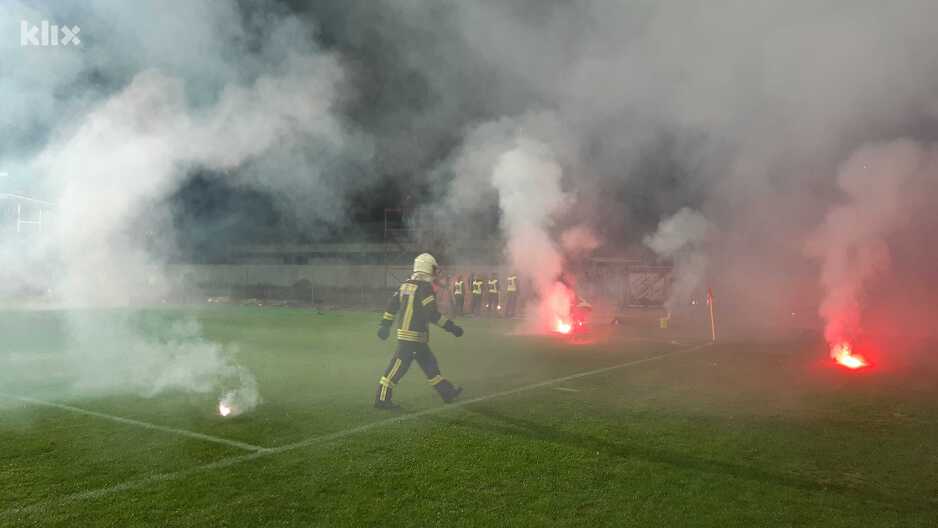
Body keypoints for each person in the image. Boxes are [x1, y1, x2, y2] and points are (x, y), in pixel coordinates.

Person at [375, 253, 464, 410]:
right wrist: (452, 328)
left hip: (415, 338)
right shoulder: (424, 287)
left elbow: (392, 306)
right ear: (426, 268)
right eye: (433, 268)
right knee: (397, 368)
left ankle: (447, 392)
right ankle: (381, 399)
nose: (435, 272)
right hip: (412, 337)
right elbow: (432, 314)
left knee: (431, 366)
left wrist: (385, 325)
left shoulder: (404, 285)